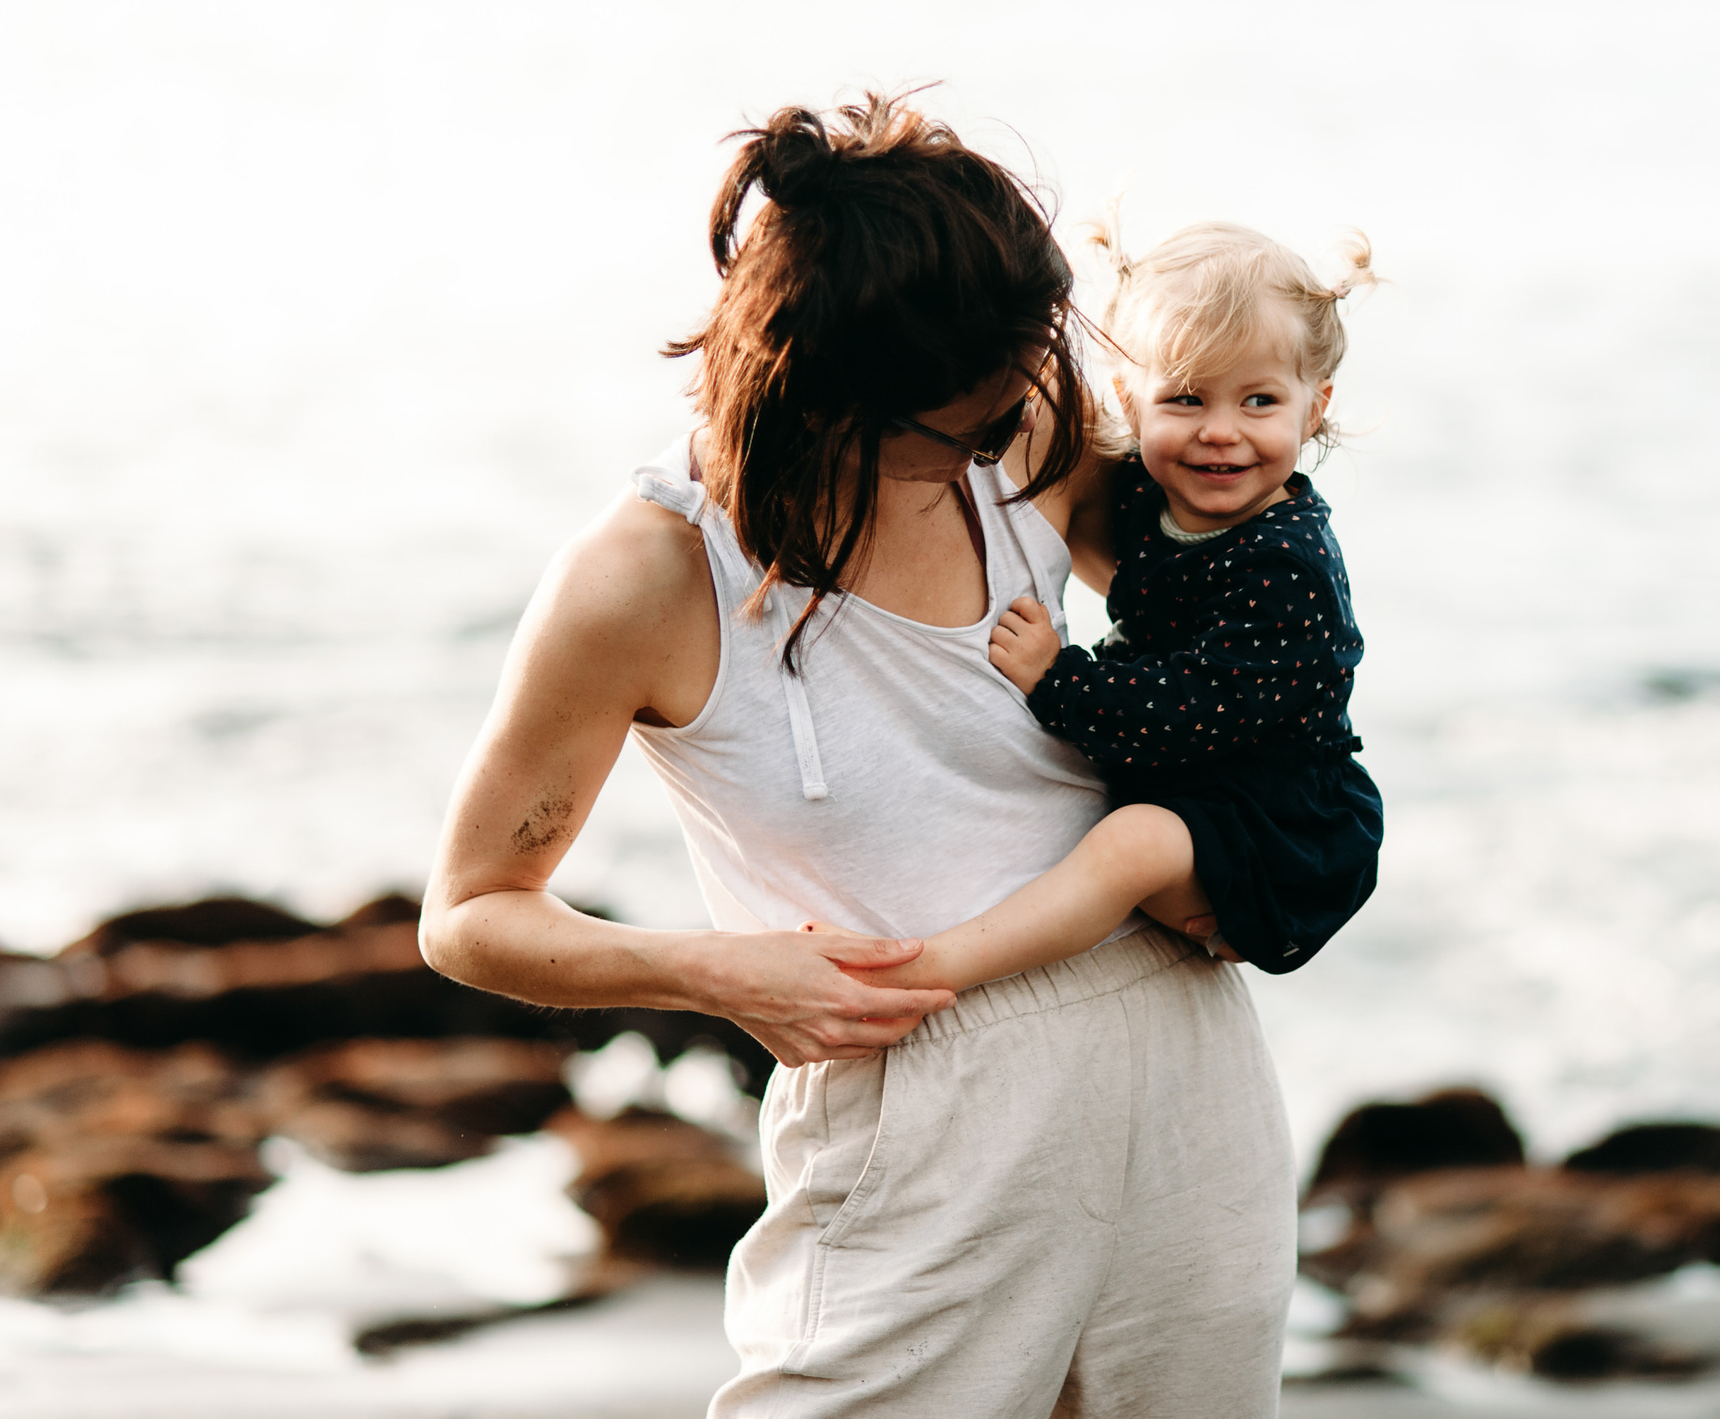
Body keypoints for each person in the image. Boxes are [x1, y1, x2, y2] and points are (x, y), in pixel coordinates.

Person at [419, 95, 1295, 1418]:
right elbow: (470, 914)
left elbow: (1259, 652)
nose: (1018, 436)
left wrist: (1258, 844)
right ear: (829, 398)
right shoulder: (646, 580)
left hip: (1184, 1063)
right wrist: (715, 974)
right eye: (972, 426)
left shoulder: (1030, 423)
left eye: (1027, 389)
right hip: (923, 1107)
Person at [815, 219, 1383, 992]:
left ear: (1312, 410)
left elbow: (1195, 709)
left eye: (1259, 401)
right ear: (1129, 400)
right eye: (1185, 398)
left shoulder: (1288, 566)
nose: (1222, 433)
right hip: (1201, 791)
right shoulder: (1155, 496)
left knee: (1129, 847)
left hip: (1280, 830)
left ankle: (935, 967)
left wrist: (1060, 680)